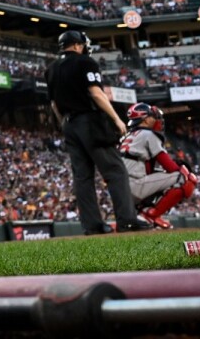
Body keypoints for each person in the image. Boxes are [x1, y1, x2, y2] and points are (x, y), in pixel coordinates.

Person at [46, 30, 150, 234]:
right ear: (77, 45)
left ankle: (92, 225)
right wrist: (116, 119)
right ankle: (127, 220)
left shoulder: (51, 68)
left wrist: (65, 125)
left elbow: (54, 104)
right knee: (115, 170)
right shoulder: (86, 62)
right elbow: (96, 93)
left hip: (69, 124)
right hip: (90, 121)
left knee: (82, 177)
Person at [118, 102, 199, 229]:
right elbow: (170, 167)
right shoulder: (147, 134)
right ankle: (148, 215)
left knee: (159, 176)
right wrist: (180, 168)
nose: (156, 119)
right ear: (145, 120)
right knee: (184, 177)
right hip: (134, 186)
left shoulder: (127, 137)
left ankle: (144, 215)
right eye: (152, 116)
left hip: (120, 190)